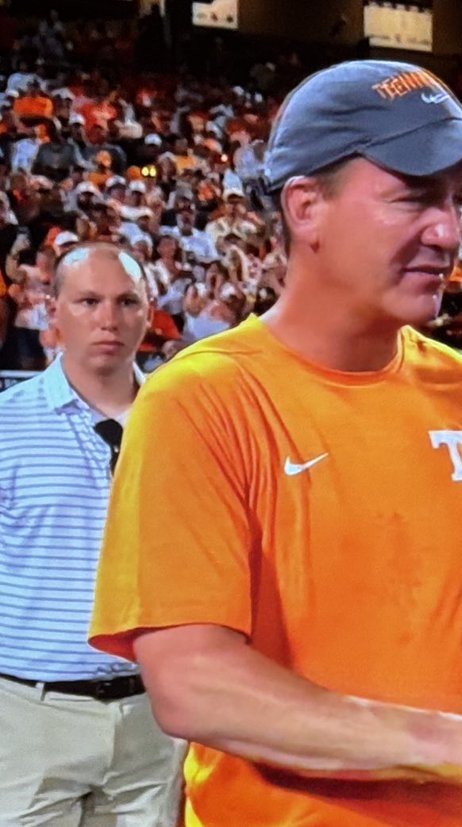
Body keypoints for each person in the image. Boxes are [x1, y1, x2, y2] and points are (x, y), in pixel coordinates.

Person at [87, 60, 462, 827]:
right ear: (307, 207)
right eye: (414, 196)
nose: (448, 231)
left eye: (457, 198)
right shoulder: (203, 399)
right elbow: (194, 682)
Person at [0, 243, 184, 823]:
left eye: (126, 301)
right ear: (53, 311)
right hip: (30, 714)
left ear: (149, 312)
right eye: (88, 301)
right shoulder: (8, 425)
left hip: (153, 717)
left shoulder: (186, 423)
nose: (108, 318)